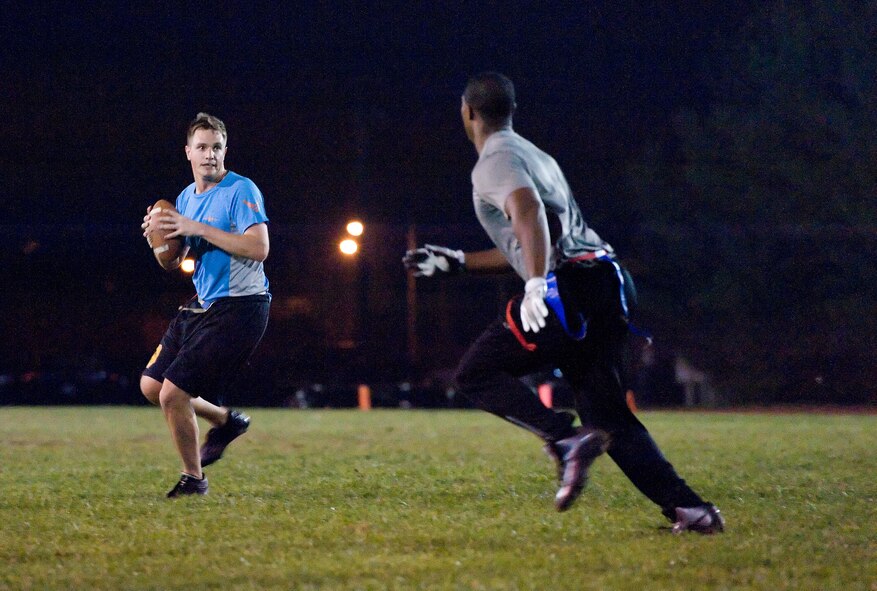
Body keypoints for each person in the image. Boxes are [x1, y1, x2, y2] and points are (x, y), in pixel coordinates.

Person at [403, 73, 724, 533]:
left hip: (566, 288)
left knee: (476, 373)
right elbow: (532, 234)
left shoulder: (494, 160)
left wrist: (536, 285)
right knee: (608, 416)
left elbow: (528, 212)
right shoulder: (536, 154)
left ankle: (562, 439)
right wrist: (459, 263)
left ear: (468, 112)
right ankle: (692, 511)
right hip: (604, 280)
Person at [140, 113, 271, 497]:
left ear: (225, 151)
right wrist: (158, 239)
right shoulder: (184, 198)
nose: (209, 155)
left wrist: (196, 228)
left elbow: (259, 248)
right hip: (204, 304)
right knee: (151, 385)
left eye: (216, 147)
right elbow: (174, 261)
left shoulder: (240, 189)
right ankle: (226, 422)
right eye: (202, 147)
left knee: (172, 395)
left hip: (242, 307)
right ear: (188, 153)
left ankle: (194, 480)